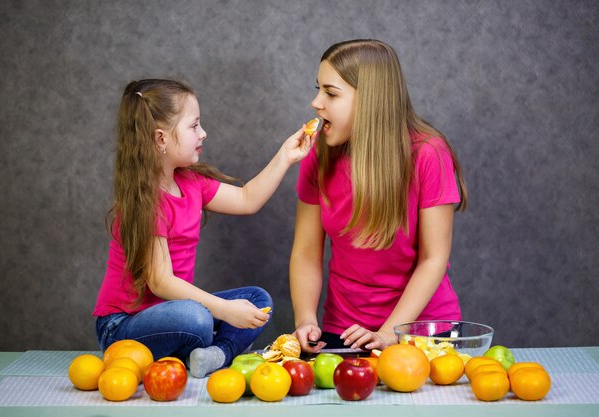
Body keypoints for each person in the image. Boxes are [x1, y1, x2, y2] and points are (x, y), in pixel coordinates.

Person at [93, 79, 314, 378]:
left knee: (258, 300)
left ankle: (213, 355)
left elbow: (247, 199)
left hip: (178, 313)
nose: (203, 133)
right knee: (195, 317)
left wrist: (286, 156)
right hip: (122, 326)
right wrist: (223, 309)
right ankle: (202, 344)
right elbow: (160, 282)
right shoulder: (145, 201)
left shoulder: (191, 182)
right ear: (161, 138)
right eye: (194, 126)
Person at [290, 39, 468, 354]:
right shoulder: (319, 154)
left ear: (371, 100)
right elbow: (306, 253)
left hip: (423, 331)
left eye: (330, 93)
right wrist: (305, 319)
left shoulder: (429, 154)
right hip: (343, 332)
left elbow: (433, 258)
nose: (316, 103)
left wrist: (388, 334)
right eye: (318, 89)